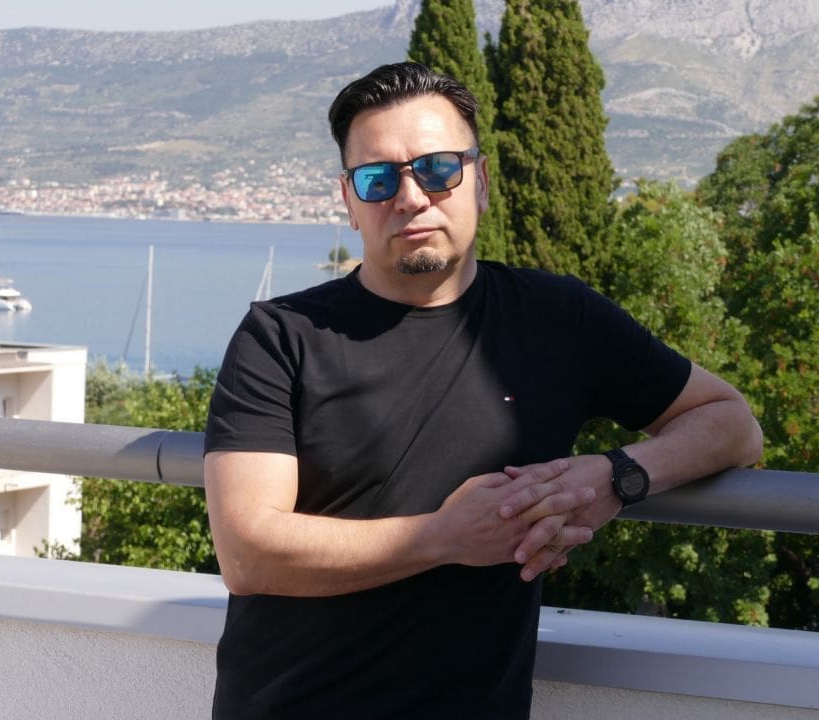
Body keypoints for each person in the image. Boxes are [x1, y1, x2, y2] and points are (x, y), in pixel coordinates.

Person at [202, 62, 762, 718]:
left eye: (438, 169)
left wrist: (613, 478)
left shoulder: (559, 319)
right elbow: (248, 553)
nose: (411, 198)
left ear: (482, 182)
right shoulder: (280, 336)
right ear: (350, 202)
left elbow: (732, 424)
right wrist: (442, 537)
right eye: (378, 179)